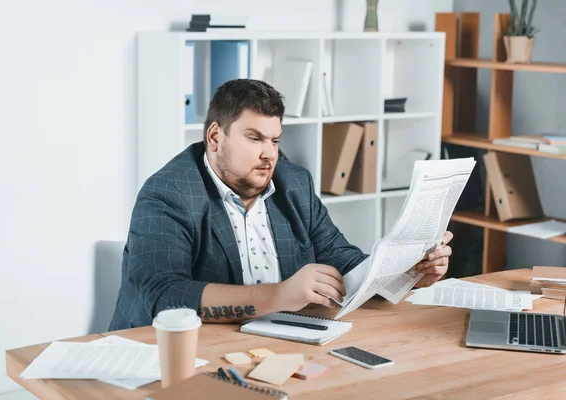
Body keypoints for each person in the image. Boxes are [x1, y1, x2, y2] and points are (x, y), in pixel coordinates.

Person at [109, 79, 453, 330]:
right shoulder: (168, 192)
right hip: (170, 355)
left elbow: (343, 259)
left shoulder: (294, 183)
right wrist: (280, 295)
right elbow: (162, 296)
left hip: (275, 346)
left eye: (275, 140)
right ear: (215, 137)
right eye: (254, 138)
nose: (269, 154)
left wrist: (406, 273)